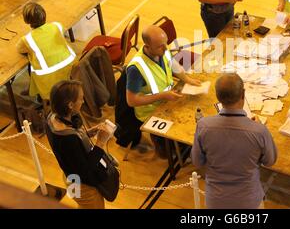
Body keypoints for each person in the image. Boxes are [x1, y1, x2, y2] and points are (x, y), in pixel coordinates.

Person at [191, 73, 277, 208]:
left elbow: (197, 162)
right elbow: (270, 161)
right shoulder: (259, 131)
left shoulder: (203, 126)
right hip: (249, 200)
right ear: (243, 94)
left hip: (216, 200)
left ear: (218, 97)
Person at [126, 25, 201, 155]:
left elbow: (174, 66)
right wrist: (162, 96)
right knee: (167, 153)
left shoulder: (162, 50)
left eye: (165, 43)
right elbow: (132, 101)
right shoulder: (136, 69)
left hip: (169, 100)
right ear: (147, 46)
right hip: (151, 112)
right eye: (160, 46)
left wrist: (188, 80)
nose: (166, 48)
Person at [45, 80, 112, 209]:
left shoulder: (52, 118)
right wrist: (101, 142)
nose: (83, 101)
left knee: (81, 205)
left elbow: (72, 153)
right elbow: (85, 170)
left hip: (70, 178)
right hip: (84, 188)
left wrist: (87, 133)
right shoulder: (67, 139)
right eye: (81, 99)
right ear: (70, 105)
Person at [16, 2, 76, 101]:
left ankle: (39, 96)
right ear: (44, 14)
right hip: (72, 69)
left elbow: (20, 49)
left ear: (26, 20)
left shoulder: (27, 39)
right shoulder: (57, 25)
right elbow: (63, 31)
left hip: (49, 81)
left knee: (32, 64)